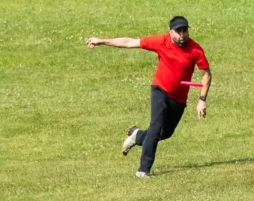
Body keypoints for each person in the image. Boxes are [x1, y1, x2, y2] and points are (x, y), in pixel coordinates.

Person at [87, 16, 212, 177]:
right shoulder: (161, 41)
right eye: (178, 31)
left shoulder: (195, 49)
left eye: (185, 31)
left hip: (179, 98)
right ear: (170, 31)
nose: (182, 35)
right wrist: (102, 41)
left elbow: (206, 74)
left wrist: (202, 100)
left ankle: (136, 135)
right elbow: (129, 42)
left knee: (165, 133)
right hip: (160, 89)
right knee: (155, 127)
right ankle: (143, 170)